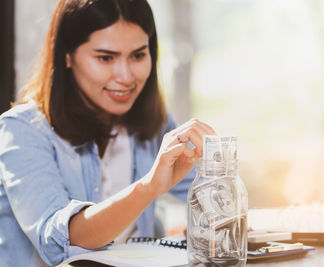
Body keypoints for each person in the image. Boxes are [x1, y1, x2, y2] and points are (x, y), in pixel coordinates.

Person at [0, 0, 215, 266]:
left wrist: (212, 218)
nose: (125, 76)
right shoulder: (21, 131)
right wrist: (148, 188)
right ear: (67, 55)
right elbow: (62, 241)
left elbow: (213, 200)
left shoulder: (153, 124)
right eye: (105, 58)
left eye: (137, 55)